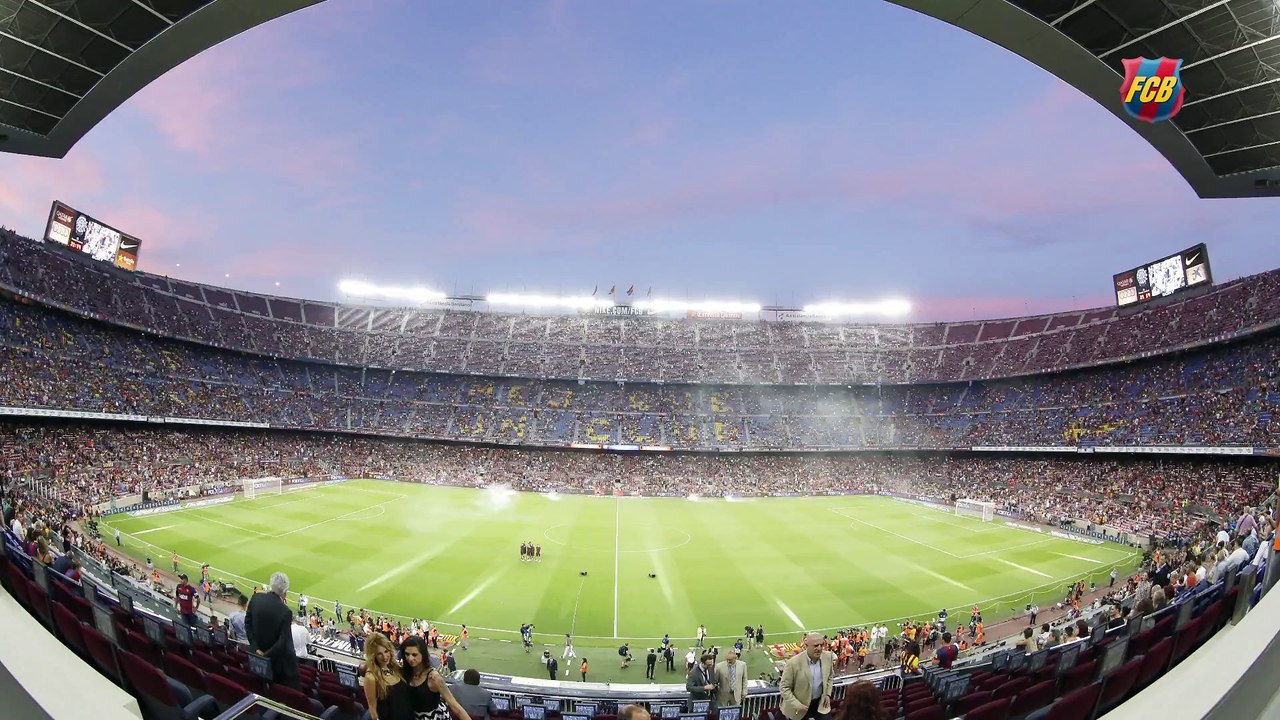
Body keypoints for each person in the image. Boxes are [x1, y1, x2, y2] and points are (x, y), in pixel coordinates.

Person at [246, 571, 301, 689]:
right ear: (285, 592)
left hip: (255, 658)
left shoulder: (256, 598)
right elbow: (282, 642)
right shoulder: (285, 612)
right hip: (276, 666)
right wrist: (265, 655)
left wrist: (256, 649)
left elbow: (248, 624)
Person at [402, 635, 470, 720]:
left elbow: (455, 706)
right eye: (407, 654)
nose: (410, 658)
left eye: (414, 654)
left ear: (423, 654)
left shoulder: (434, 678)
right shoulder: (403, 672)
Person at [779, 633, 834, 720]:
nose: (819, 648)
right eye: (816, 645)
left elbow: (830, 676)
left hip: (820, 703)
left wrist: (827, 694)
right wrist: (796, 704)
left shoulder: (828, 656)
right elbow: (784, 687)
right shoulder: (793, 663)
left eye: (821, 645)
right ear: (806, 646)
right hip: (800, 706)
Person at [364, 632, 412, 720]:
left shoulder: (395, 667)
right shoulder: (371, 677)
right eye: (379, 654)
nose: (385, 656)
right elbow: (373, 709)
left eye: (386, 651)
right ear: (373, 656)